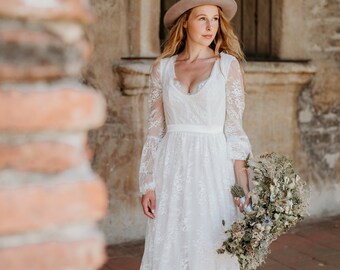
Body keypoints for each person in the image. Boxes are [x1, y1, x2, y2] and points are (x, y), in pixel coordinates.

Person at [138, 0, 252, 269]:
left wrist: (243, 186)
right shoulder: (162, 68)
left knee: (211, 245)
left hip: (214, 169)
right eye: (202, 18)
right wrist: (148, 184)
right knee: (171, 245)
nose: (210, 26)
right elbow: (154, 130)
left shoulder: (227, 65)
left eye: (215, 19)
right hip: (171, 169)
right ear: (185, 22)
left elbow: (235, 131)